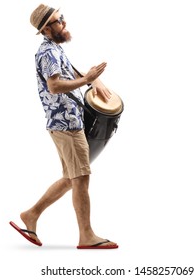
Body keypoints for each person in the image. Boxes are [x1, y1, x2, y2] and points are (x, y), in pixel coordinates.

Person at [9, 3, 118, 249]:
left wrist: (93, 80)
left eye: (62, 17)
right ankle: (86, 236)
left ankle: (31, 214)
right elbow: (54, 86)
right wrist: (86, 80)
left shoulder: (54, 49)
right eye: (59, 20)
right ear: (47, 28)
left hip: (68, 121)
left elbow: (67, 74)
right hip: (66, 123)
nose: (64, 23)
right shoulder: (47, 52)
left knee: (71, 177)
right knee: (81, 177)